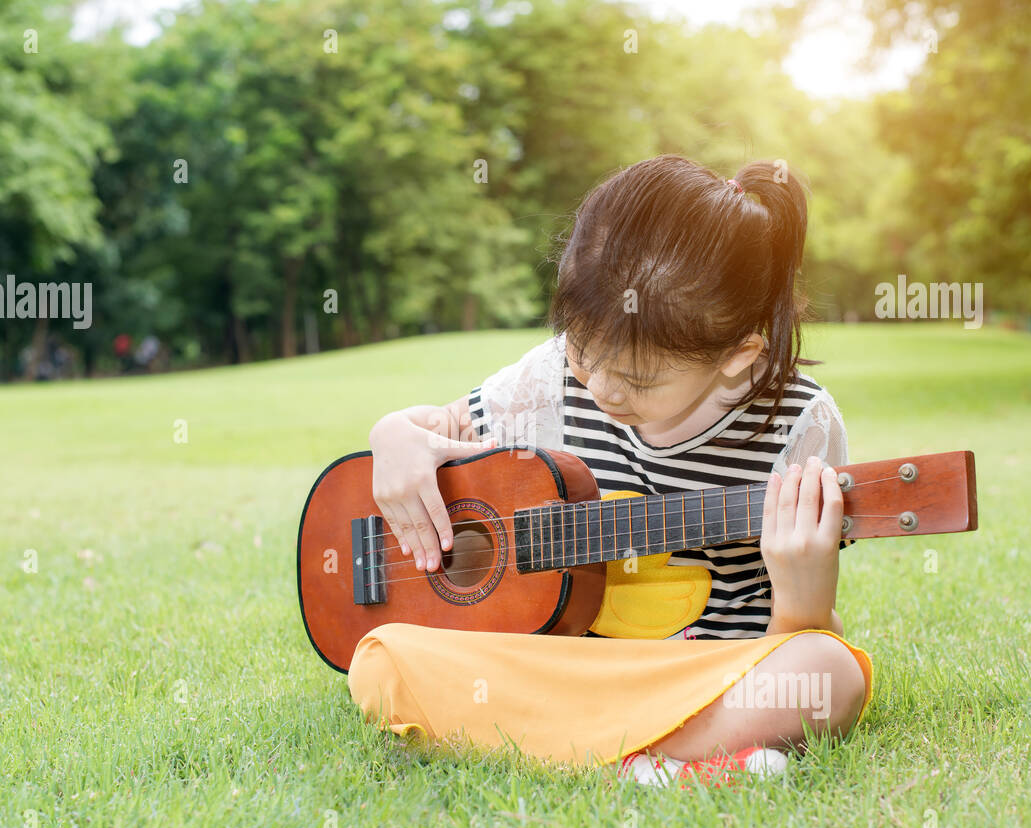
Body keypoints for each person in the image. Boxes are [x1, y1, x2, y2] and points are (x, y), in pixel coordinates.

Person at [352, 155, 873, 788]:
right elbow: (436, 428)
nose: (598, 386)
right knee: (380, 660)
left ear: (737, 357)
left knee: (828, 671)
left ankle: (599, 754)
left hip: (702, 679)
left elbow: (798, 639)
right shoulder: (545, 380)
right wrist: (393, 436)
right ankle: (670, 763)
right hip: (562, 669)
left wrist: (802, 597)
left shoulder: (800, 425)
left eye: (637, 379)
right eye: (581, 349)